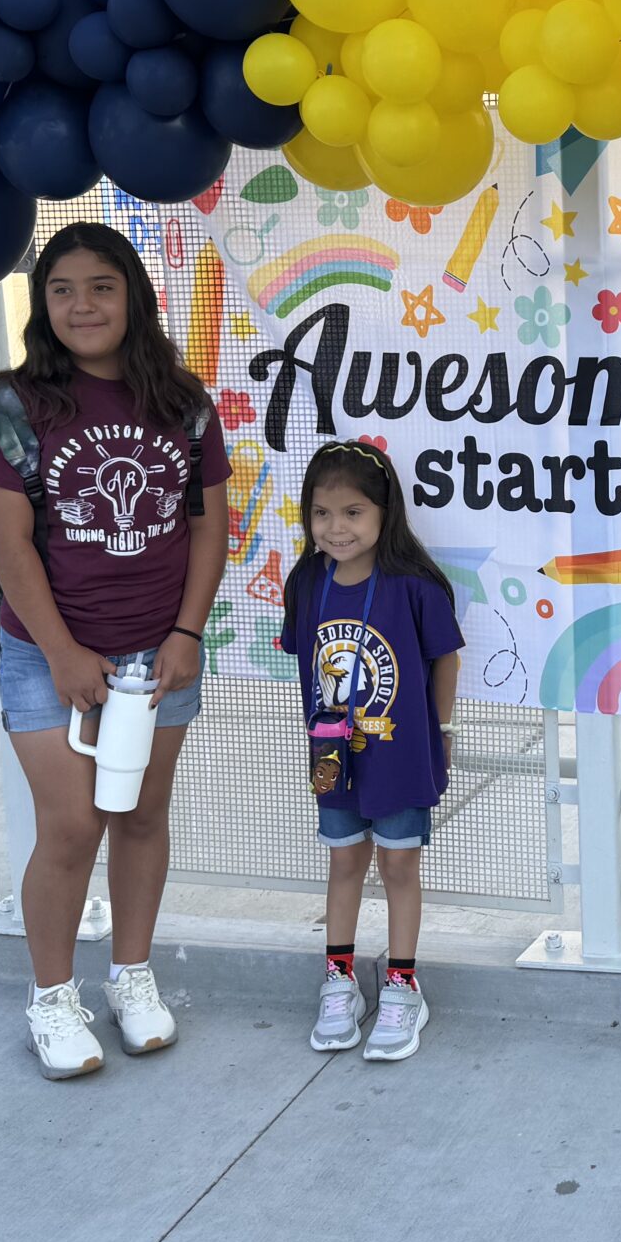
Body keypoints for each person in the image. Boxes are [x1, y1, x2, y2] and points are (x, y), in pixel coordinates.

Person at [0, 222, 227, 1080]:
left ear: (135, 298)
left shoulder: (182, 401)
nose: (83, 305)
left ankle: (132, 977)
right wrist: (63, 653)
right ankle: (51, 997)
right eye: (62, 290)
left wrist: (186, 634)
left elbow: (207, 525)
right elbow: (10, 549)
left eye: (102, 287)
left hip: (156, 661)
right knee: (75, 823)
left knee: (142, 816)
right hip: (50, 657)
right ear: (42, 306)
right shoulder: (14, 405)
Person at [280, 440, 462, 1063]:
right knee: (343, 865)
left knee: (399, 868)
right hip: (334, 760)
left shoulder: (414, 587)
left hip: (401, 758)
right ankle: (340, 982)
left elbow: (445, 660)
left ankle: (403, 986)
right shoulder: (306, 581)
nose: (336, 527)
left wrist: (438, 733)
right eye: (322, 513)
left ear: (385, 512)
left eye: (353, 512)